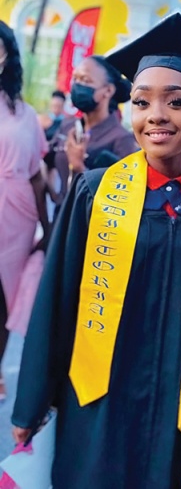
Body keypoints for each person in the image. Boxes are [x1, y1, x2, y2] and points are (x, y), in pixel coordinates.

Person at [11, 13, 181, 489]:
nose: (156, 115)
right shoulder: (95, 191)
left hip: (174, 409)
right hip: (98, 405)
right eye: (142, 101)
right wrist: (31, 401)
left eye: (175, 102)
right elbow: (58, 295)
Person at [0, 21, 49, 401]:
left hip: (16, 217)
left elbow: (36, 175)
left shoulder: (24, 113)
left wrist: (47, 228)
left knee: (3, 298)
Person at [48, 54, 137, 214]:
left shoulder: (122, 139)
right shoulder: (67, 126)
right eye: (76, 79)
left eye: (86, 81)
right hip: (59, 220)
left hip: (91, 227)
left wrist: (79, 168)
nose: (78, 85)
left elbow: (123, 200)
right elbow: (44, 161)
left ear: (108, 90)